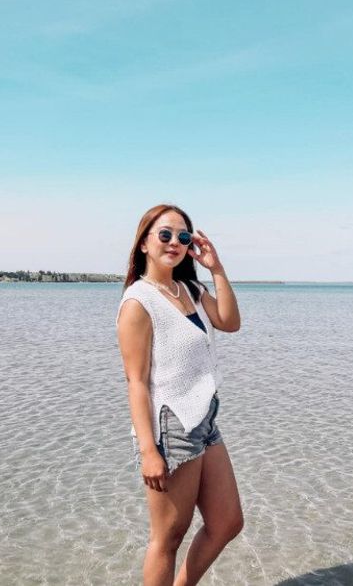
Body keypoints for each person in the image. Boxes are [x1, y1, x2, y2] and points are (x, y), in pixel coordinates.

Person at [117, 204, 244, 586]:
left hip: (204, 418)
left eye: (183, 236)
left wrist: (216, 269)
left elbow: (230, 322)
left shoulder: (190, 288)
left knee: (227, 521)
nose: (175, 242)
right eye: (165, 234)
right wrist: (148, 451)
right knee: (168, 538)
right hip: (171, 425)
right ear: (144, 243)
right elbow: (136, 382)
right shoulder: (139, 302)